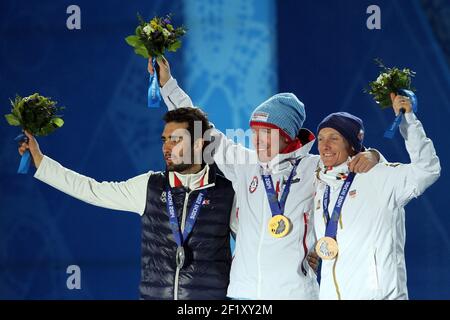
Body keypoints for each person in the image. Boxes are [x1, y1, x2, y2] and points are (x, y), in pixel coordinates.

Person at [149, 57, 382, 299]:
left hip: (294, 293)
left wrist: (375, 156)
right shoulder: (245, 165)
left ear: (287, 136)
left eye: (267, 133)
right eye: (255, 132)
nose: (257, 140)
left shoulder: (315, 168)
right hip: (244, 293)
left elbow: (358, 164)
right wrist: (167, 85)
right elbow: (200, 127)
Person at [18, 107, 238, 300]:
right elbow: (93, 190)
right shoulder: (149, 186)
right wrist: (40, 161)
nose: (167, 147)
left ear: (199, 143)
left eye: (176, 139)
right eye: (164, 140)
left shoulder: (228, 191)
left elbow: (254, 244)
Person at [308, 93, 440, 299]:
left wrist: (408, 122)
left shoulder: (379, 177)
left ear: (352, 144)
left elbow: (427, 170)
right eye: (321, 139)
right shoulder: (320, 184)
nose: (324, 146)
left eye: (334, 138)